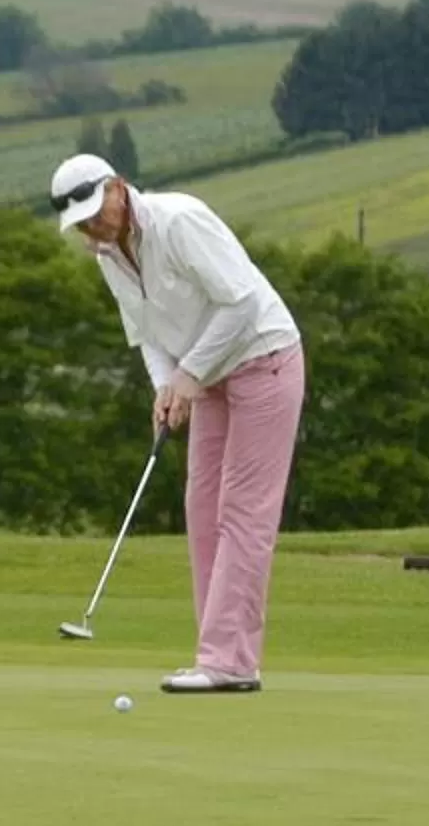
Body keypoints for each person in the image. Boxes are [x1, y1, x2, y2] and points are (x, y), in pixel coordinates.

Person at [51, 153, 305, 694]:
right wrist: (166, 387)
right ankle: (217, 655)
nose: (94, 227)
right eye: (82, 223)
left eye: (97, 212)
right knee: (202, 509)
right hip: (206, 375)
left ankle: (229, 662)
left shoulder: (179, 220)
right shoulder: (108, 257)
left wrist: (187, 377)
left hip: (264, 359)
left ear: (119, 187)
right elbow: (147, 332)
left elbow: (240, 303)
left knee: (243, 511)